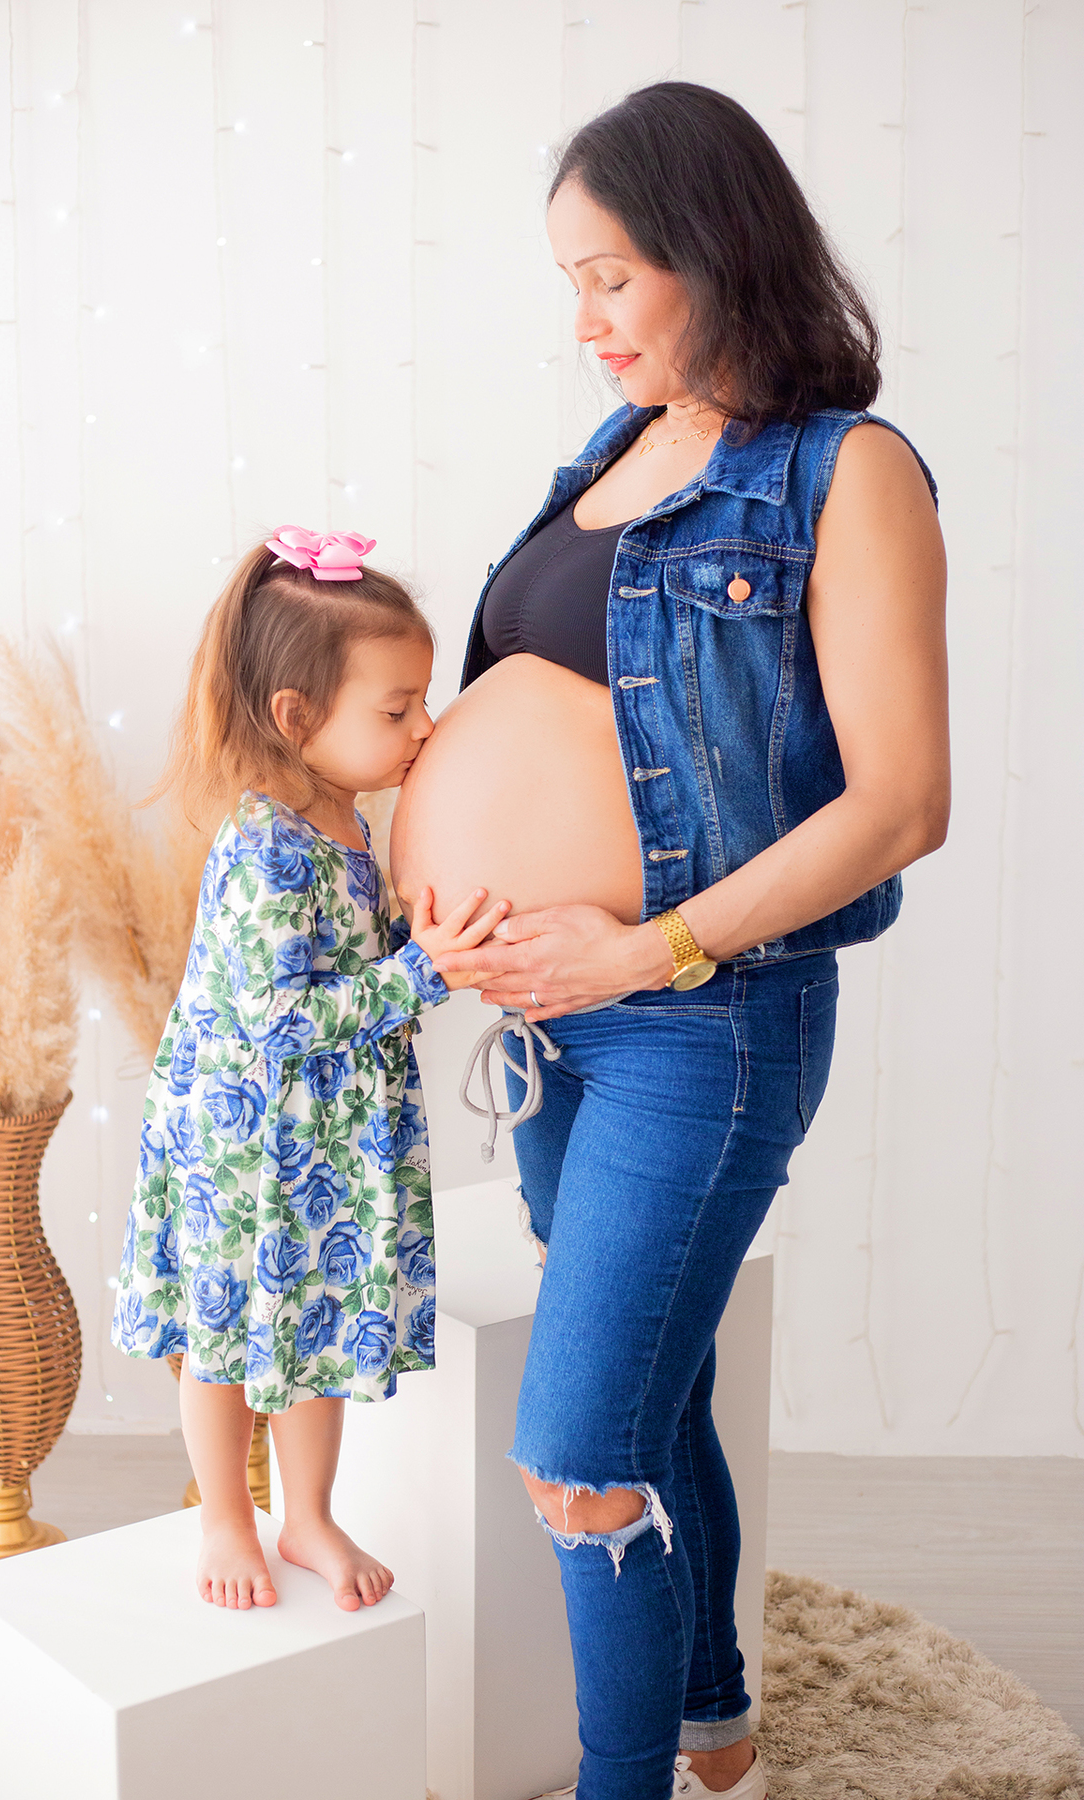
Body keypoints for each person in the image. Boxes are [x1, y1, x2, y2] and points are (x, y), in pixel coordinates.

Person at [412, 83, 949, 1800]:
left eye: (612, 278)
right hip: (553, 1030)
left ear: (716, 252)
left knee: (580, 1458)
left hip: (697, 1033)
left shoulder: (844, 472)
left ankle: (624, 1779)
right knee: (660, 1389)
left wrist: (643, 954)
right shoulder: (607, 457)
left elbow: (901, 804)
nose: (585, 321)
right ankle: (717, 1734)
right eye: (569, 283)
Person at [112, 526, 508, 1613]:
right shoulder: (265, 849)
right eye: (398, 709)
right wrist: (420, 972)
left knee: (316, 1331)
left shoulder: (346, 822)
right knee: (228, 1338)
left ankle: (310, 1515)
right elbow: (279, 1020)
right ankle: (226, 1517)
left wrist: (420, 938)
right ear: (296, 718)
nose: (425, 728)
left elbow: (353, 964)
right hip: (247, 1145)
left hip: (321, 1136)